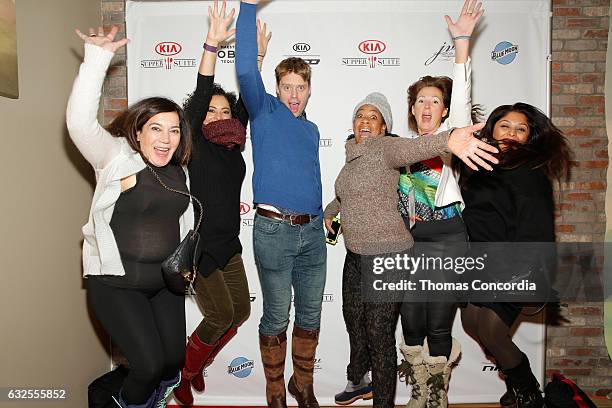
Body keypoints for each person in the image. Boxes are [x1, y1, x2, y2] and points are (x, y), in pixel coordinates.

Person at [324, 92, 498, 408]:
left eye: (373, 116)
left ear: (384, 126)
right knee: (354, 322)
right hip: (355, 256)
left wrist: (451, 139)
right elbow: (344, 195)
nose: (365, 121)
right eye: (360, 115)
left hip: (387, 255)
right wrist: (329, 212)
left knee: (380, 335)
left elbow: (417, 147)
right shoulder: (351, 157)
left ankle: (384, 402)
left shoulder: (387, 147)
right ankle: (358, 379)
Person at [67, 26, 194, 408]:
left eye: (173, 130)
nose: (166, 138)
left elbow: (181, 223)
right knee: (148, 365)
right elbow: (79, 124)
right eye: (156, 128)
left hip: (164, 285)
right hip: (117, 285)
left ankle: (152, 397)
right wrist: (97, 60)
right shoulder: (116, 159)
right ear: (138, 133)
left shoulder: (179, 171)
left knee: (173, 362)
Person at [172, 1, 272, 405]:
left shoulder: (233, 144)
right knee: (217, 316)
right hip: (201, 249)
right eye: (210, 111)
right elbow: (199, 94)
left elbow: (249, 97)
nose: (216, 115)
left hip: (229, 245)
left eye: (223, 110)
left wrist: (258, 58)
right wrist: (212, 45)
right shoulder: (193, 142)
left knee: (241, 313)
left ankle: (194, 364)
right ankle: (185, 370)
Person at [236, 1, 326, 407]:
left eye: (301, 87)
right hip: (273, 230)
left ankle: (301, 383)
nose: (294, 94)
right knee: (276, 316)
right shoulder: (264, 111)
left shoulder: (311, 129)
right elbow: (243, 71)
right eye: (287, 86)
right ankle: (275, 389)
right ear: (277, 88)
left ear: (309, 89)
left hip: (313, 231)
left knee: (311, 315)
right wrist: (247, 8)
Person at [397, 2, 484, 407]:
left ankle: (437, 394)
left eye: (435, 101)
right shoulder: (399, 149)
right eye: (420, 102)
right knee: (411, 323)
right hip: (411, 245)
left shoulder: (451, 140)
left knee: (437, 323)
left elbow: (464, 99)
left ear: (445, 111)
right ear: (412, 111)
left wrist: (462, 45)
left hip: (450, 240)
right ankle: (419, 388)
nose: (427, 107)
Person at [457, 103, 572, 408]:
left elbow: (539, 226)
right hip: (478, 261)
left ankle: (529, 393)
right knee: (471, 324)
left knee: (492, 331)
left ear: (528, 138)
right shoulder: (478, 164)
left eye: (521, 129)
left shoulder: (529, 172)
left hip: (513, 265)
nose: (511, 133)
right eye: (504, 125)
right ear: (491, 129)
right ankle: (514, 378)